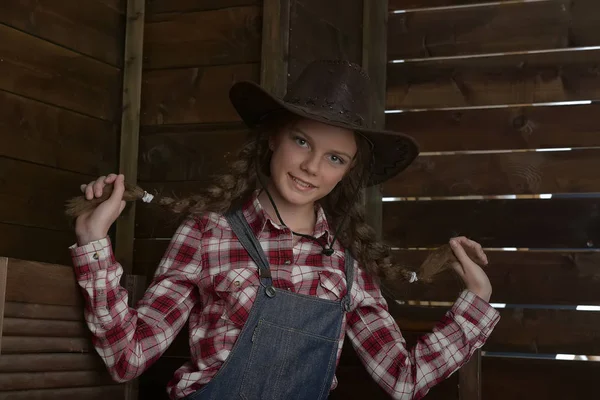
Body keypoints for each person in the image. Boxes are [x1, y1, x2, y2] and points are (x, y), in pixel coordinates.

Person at [68, 60, 500, 400]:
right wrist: (94, 243)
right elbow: (127, 358)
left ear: (348, 171)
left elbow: (403, 380)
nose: (312, 167)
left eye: (335, 158)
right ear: (274, 137)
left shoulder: (349, 263)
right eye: (302, 141)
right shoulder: (208, 234)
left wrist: (476, 302)